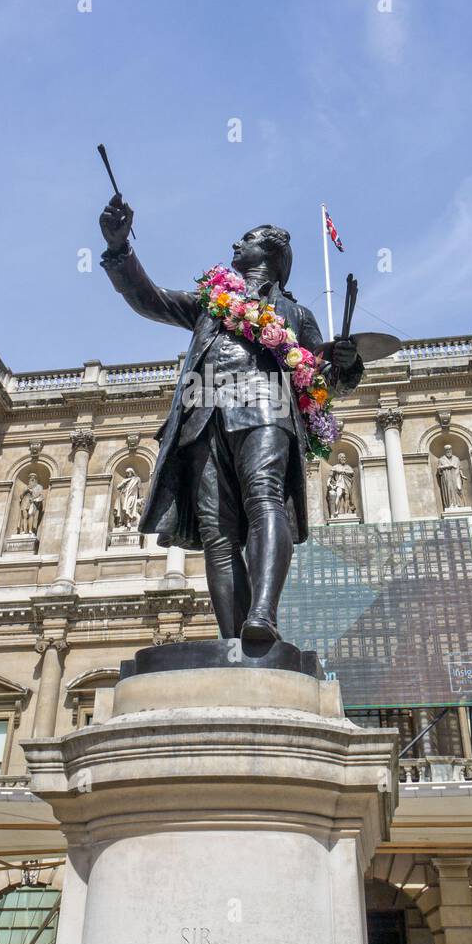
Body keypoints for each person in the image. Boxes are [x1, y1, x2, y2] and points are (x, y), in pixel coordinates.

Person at [99, 200, 363, 643]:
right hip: (202, 413)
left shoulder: (297, 315)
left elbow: (325, 383)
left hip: (265, 405)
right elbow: (151, 299)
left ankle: (263, 614)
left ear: (272, 253)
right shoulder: (210, 303)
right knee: (216, 531)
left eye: (249, 237)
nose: (236, 243)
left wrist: (346, 363)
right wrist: (119, 246)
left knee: (265, 496)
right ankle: (235, 641)